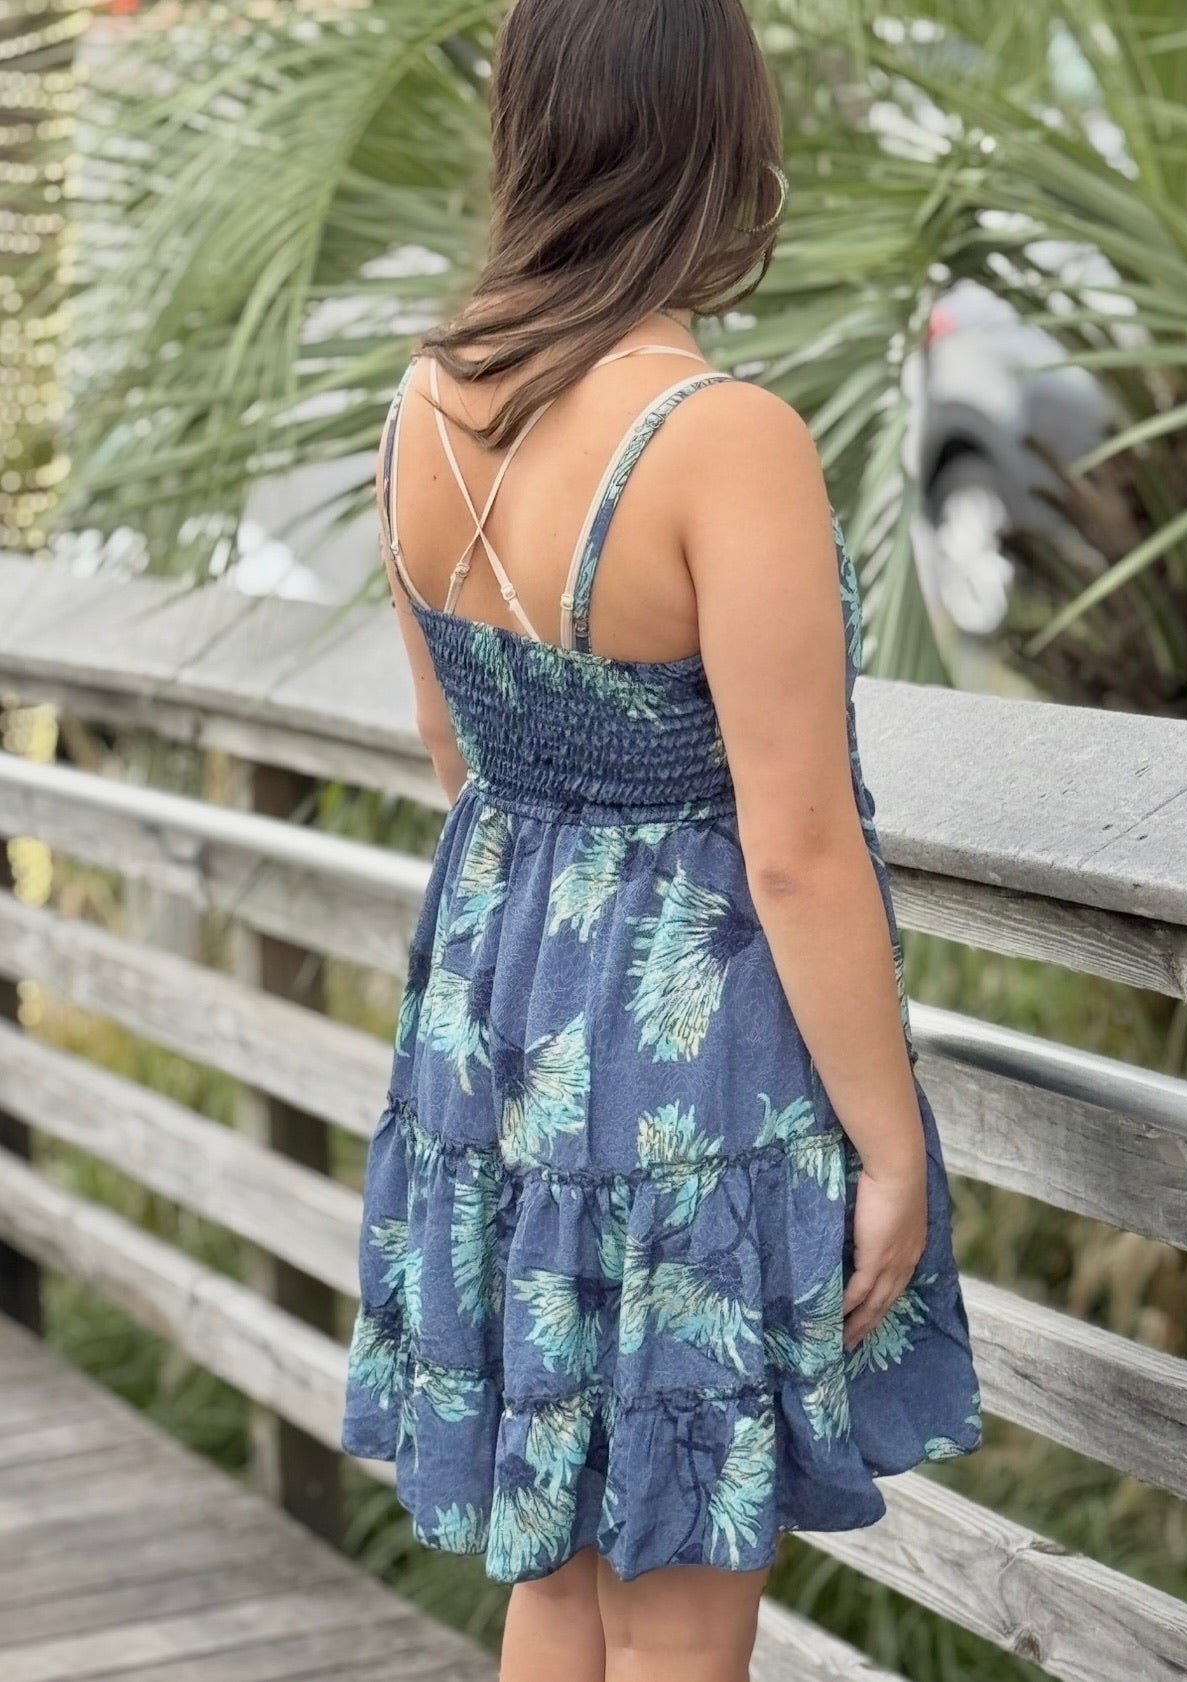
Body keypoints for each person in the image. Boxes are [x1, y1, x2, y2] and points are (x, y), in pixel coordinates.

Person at [340, 2, 982, 1678]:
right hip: (691, 1066)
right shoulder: (720, 438)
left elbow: (446, 744)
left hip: (498, 1021)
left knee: (551, 1565)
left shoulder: (421, 404)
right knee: (685, 1595)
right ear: (715, 136)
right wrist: (891, 1143)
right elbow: (796, 848)